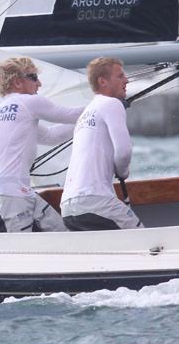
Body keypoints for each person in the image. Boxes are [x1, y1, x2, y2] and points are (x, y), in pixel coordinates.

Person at [0, 57, 84, 232]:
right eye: (34, 77)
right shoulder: (28, 102)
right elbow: (66, 114)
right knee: (20, 253)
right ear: (17, 82)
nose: (40, 84)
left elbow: (51, 136)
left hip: (10, 191)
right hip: (10, 195)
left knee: (63, 234)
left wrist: (85, 121)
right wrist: (104, 104)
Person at [61, 57, 143, 231]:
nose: (126, 80)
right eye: (120, 76)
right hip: (96, 201)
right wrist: (122, 172)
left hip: (68, 207)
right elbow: (123, 151)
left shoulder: (87, 111)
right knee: (148, 243)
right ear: (103, 81)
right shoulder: (112, 103)